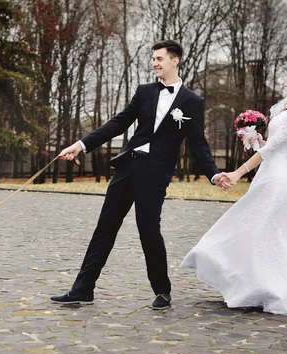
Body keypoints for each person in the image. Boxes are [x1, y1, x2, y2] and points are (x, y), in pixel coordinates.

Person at [51, 40, 224, 310]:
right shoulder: (144, 92)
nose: (155, 63)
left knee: (148, 231)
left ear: (175, 60)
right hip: (127, 167)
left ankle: (163, 291)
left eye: (159, 58)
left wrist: (213, 175)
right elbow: (118, 123)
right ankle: (83, 289)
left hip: (154, 175)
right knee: (104, 228)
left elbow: (198, 145)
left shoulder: (192, 102)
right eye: (153, 59)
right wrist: (81, 145)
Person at [180, 60, 287, 315]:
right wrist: (255, 137)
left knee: (269, 231)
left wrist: (238, 172)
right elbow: (270, 145)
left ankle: (277, 288)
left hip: (280, 179)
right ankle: (253, 283)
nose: (286, 83)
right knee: (260, 229)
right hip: (271, 174)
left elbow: (271, 150)